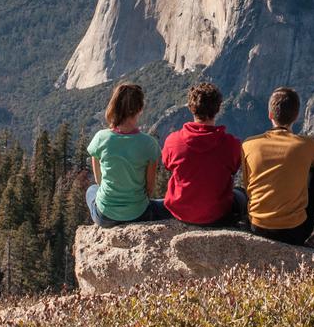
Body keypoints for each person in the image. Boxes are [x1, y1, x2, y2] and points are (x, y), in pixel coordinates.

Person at [241, 87, 314, 246]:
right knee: (313, 171)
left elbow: (247, 185)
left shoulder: (249, 144)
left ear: (270, 115)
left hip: (256, 226)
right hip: (295, 232)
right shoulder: (308, 144)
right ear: (297, 116)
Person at [161, 81, 245, 227]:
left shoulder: (173, 141)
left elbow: (168, 166)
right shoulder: (231, 144)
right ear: (218, 108)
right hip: (218, 214)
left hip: (180, 212)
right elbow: (235, 169)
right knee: (242, 195)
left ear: (190, 108)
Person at [85, 82, 168, 227]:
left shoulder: (101, 138)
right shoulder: (149, 144)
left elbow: (99, 180)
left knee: (92, 190)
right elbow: (149, 188)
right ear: (140, 109)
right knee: (166, 204)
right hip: (139, 214)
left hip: (105, 216)